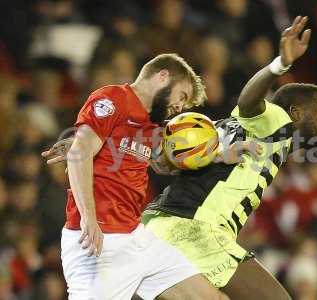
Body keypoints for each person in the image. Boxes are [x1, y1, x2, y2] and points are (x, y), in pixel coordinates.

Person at [142, 16, 317, 299]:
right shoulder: (272, 120)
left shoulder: (241, 131)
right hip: (193, 228)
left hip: (160, 222)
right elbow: (248, 101)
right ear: (294, 112)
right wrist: (279, 65)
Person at [42, 53, 237, 300]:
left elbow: (164, 164)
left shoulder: (152, 124)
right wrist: (89, 218)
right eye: (182, 96)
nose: (180, 107)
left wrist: (219, 155)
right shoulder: (114, 99)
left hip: (136, 236)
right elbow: (79, 155)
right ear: (163, 76)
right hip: (99, 241)